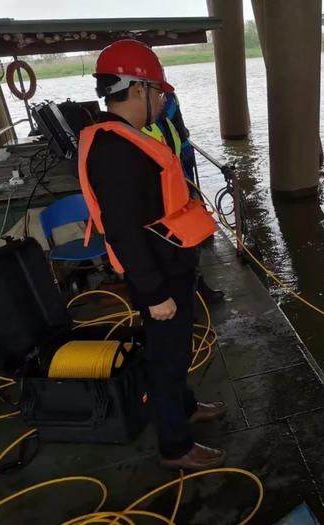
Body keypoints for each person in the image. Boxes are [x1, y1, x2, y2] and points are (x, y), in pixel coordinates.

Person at [78, 39, 227, 470]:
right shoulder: (114, 150)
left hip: (169, 266)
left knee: (176, 351)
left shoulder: (126, 139)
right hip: (156, 277)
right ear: (137, 88)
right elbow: (123, 230)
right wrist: (154, 291)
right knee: (166, 359)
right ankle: (176, 447)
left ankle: (184, 407)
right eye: (157, 91)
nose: (161, 100)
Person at [142, 93, 225, 304]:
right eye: (158, 95)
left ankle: (196, 287)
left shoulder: (163, 120)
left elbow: (178, 145)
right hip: (163, 201)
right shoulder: (140, 130)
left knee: (189, 246)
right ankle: (180, 296)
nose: (163, 100)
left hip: (180, 189)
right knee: (172, 249)